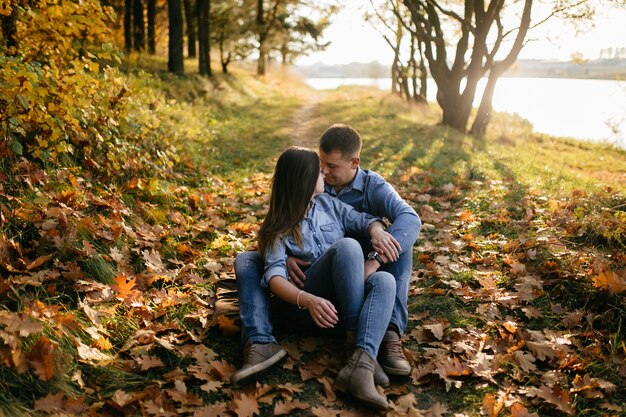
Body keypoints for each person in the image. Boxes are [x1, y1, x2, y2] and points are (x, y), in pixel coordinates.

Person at [232, 125, 420, 384]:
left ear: (354, 163)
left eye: (331, 167)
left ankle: (378, 342)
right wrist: (281, 258)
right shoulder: (298, 209)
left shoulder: (344, 196)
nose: (324, 171)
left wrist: (377, 234)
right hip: (314, 288)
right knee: (248, 259)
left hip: (353, 276)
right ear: (307, 181)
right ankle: (264, 342)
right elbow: (281, 219)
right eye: (320, 167)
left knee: (394, 251)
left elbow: (397, 219)